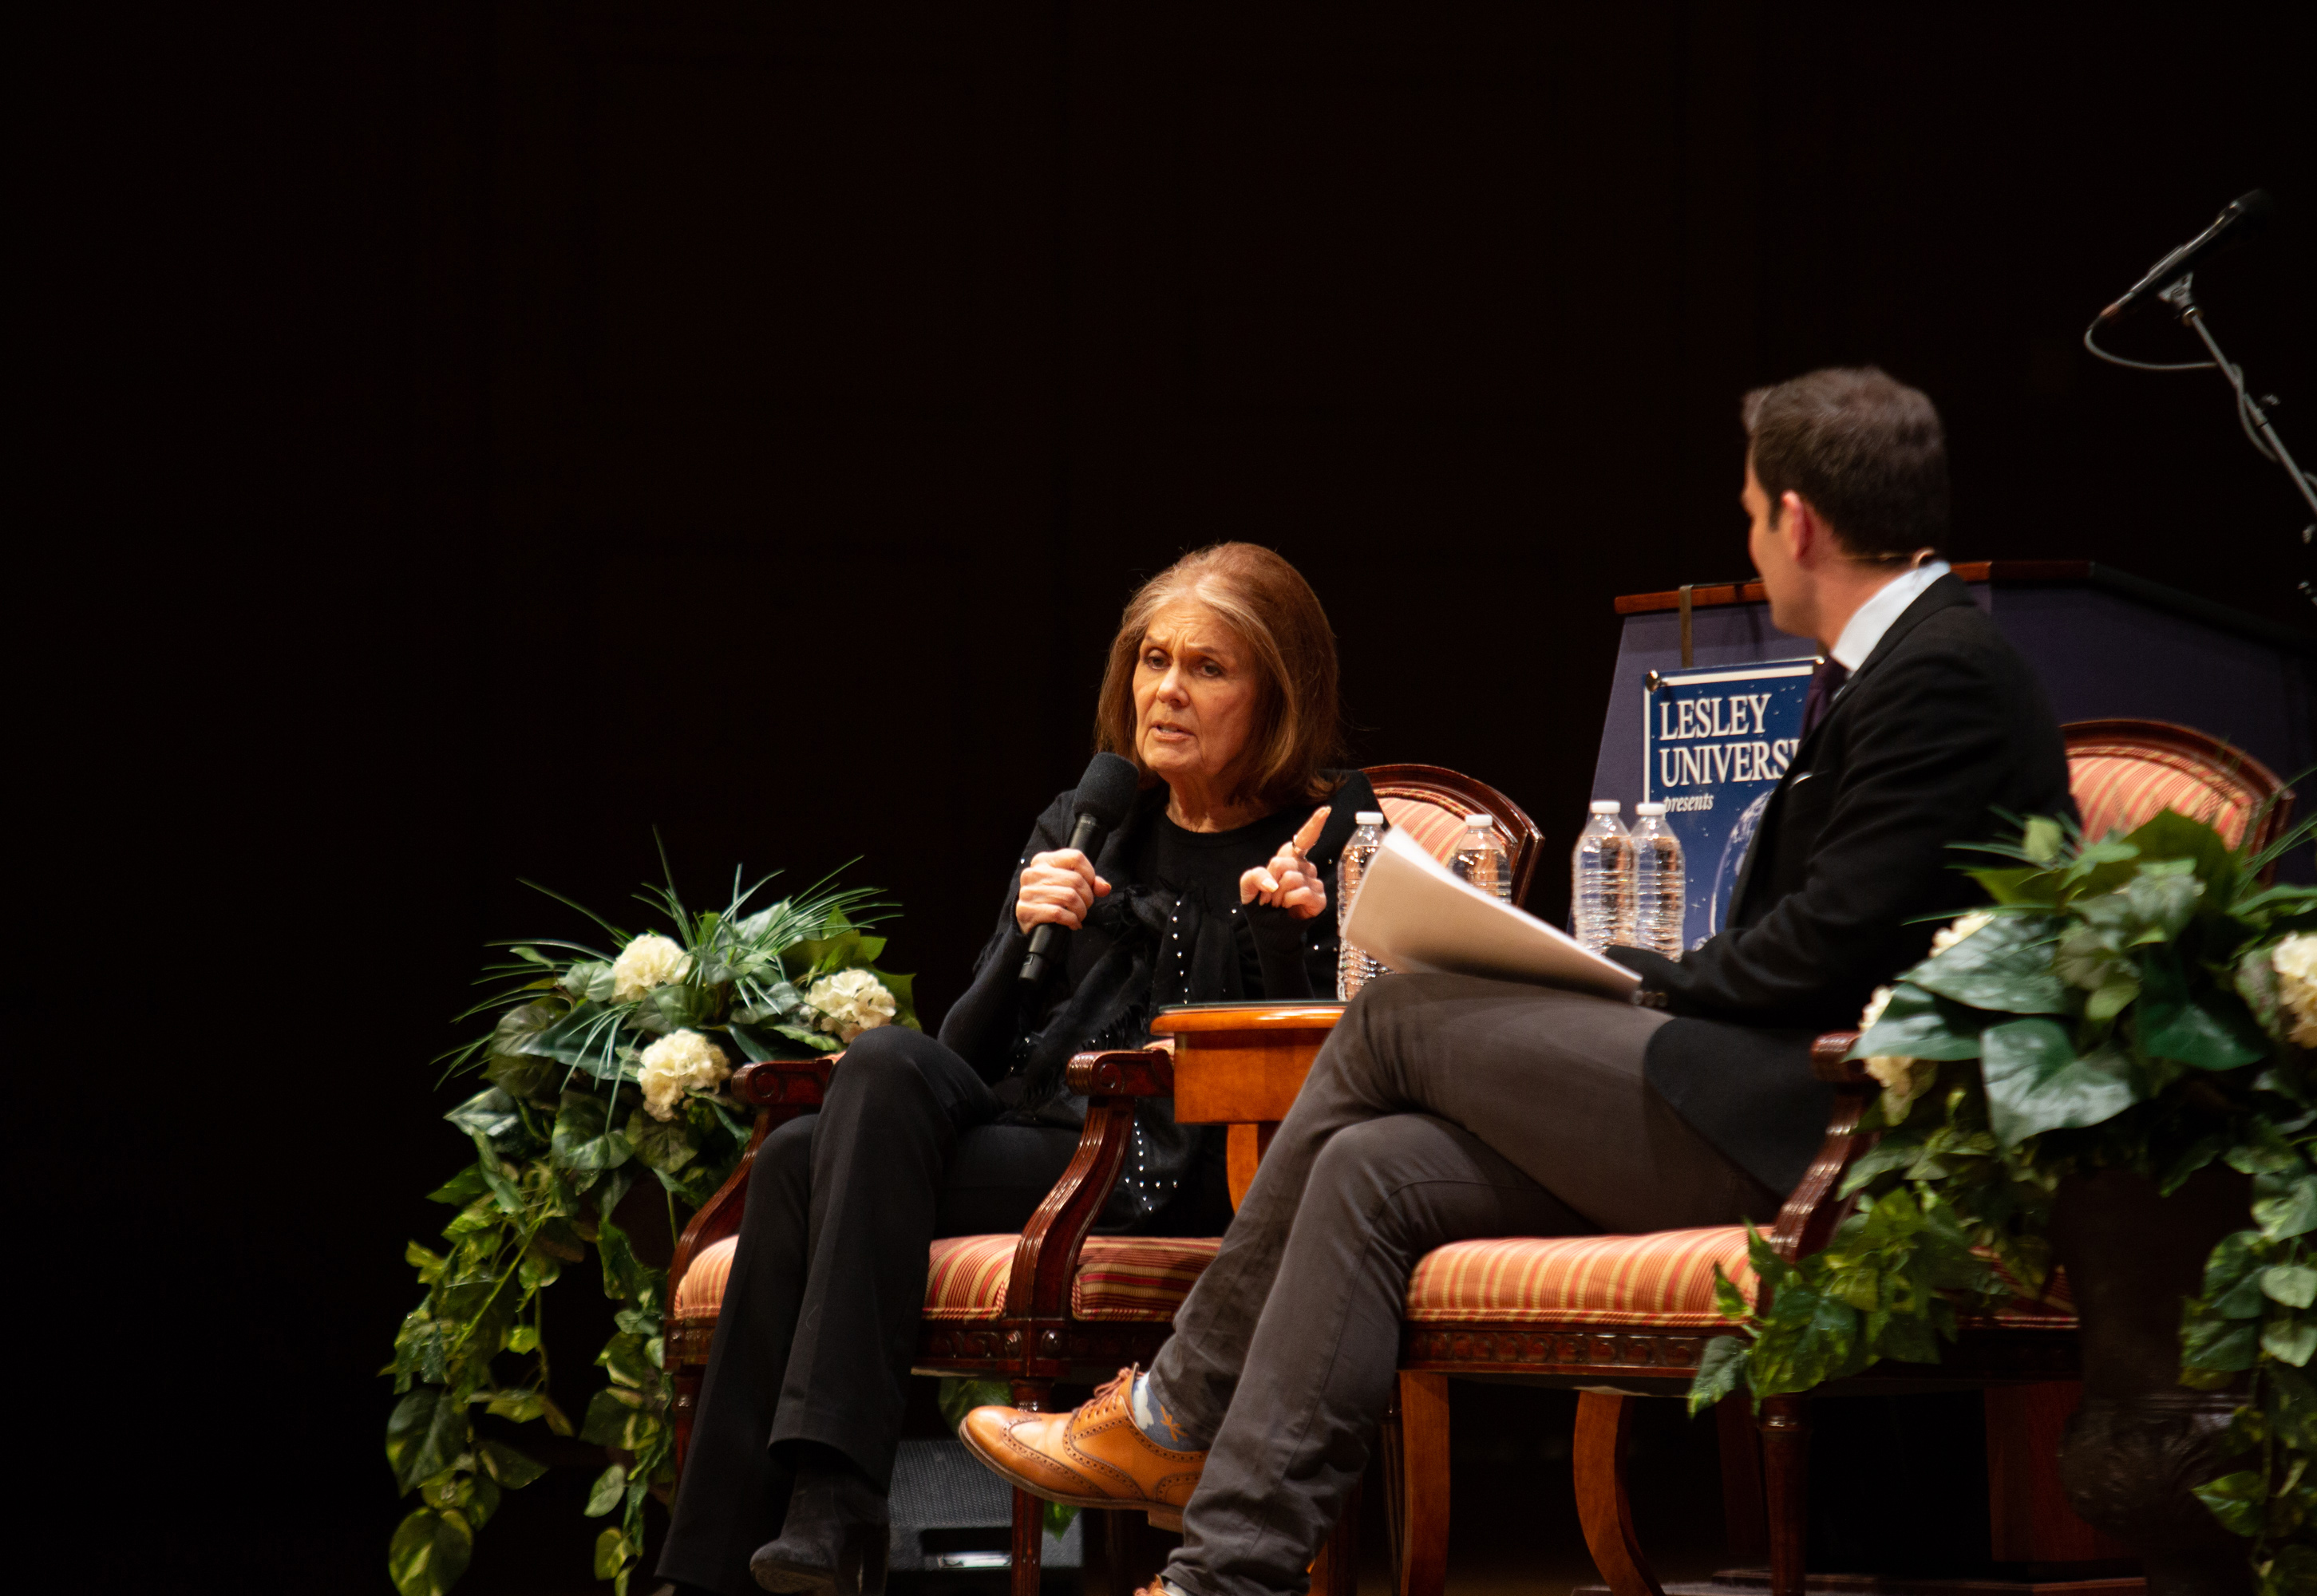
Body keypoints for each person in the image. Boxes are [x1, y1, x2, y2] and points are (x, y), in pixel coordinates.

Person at [960, 368, 2078, 1596]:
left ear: (1798, 521)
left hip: (1811, 1125)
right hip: (1753, 1095)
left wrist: (1619, 980)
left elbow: (1826, 953)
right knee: (1367, 1168)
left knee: (1394, 1016)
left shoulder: (1944, 674)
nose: (1752, 539)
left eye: (1754, 512)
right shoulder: (1902, 670)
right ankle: (1223, 1575)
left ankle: (1173, 1406)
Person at [658, 542, 1378, 1596]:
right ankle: (817, 1513)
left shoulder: (1328, 830)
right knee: (864, 1092)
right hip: (1041, 1135)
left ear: (1279, 695)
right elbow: (959, 1061)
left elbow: (1332, 1072)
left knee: (799, 1166)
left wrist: (1284, 935)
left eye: (1208, 668)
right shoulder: (1091, 817)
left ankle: (768, 1539)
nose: (1166, 690)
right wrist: (1020, 939)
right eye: (1152, 660)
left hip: (1174, 1171)